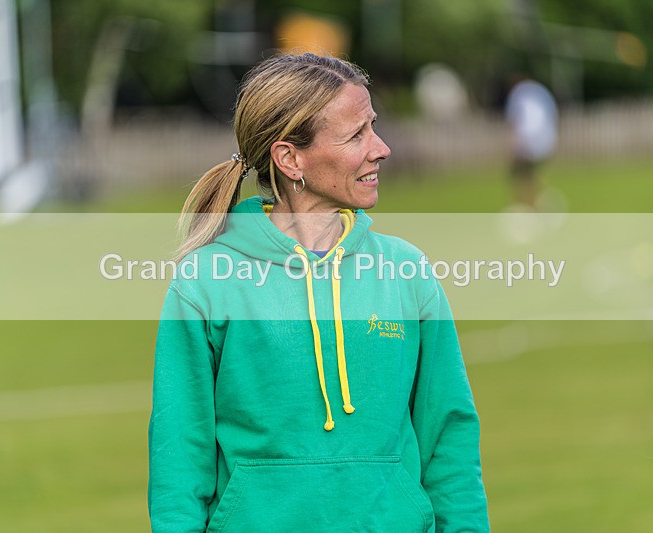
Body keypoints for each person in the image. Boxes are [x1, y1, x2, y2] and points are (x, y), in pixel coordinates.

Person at [148, 53, 490, 532]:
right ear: (290, 159)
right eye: (356, 135)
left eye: (373, 127)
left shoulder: (406, 271)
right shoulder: (206, 282)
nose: (382, 148)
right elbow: (179, 453)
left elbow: (448, 437)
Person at [504, 76, 558, 209]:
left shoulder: (518, 94)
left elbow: (514, 119)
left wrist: (515, 142)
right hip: (544, 139)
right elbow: (552, 113)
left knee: (521, 173)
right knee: (531, 173)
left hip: (528, 139)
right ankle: (536, 201)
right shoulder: (540, 91)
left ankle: (529, 204)